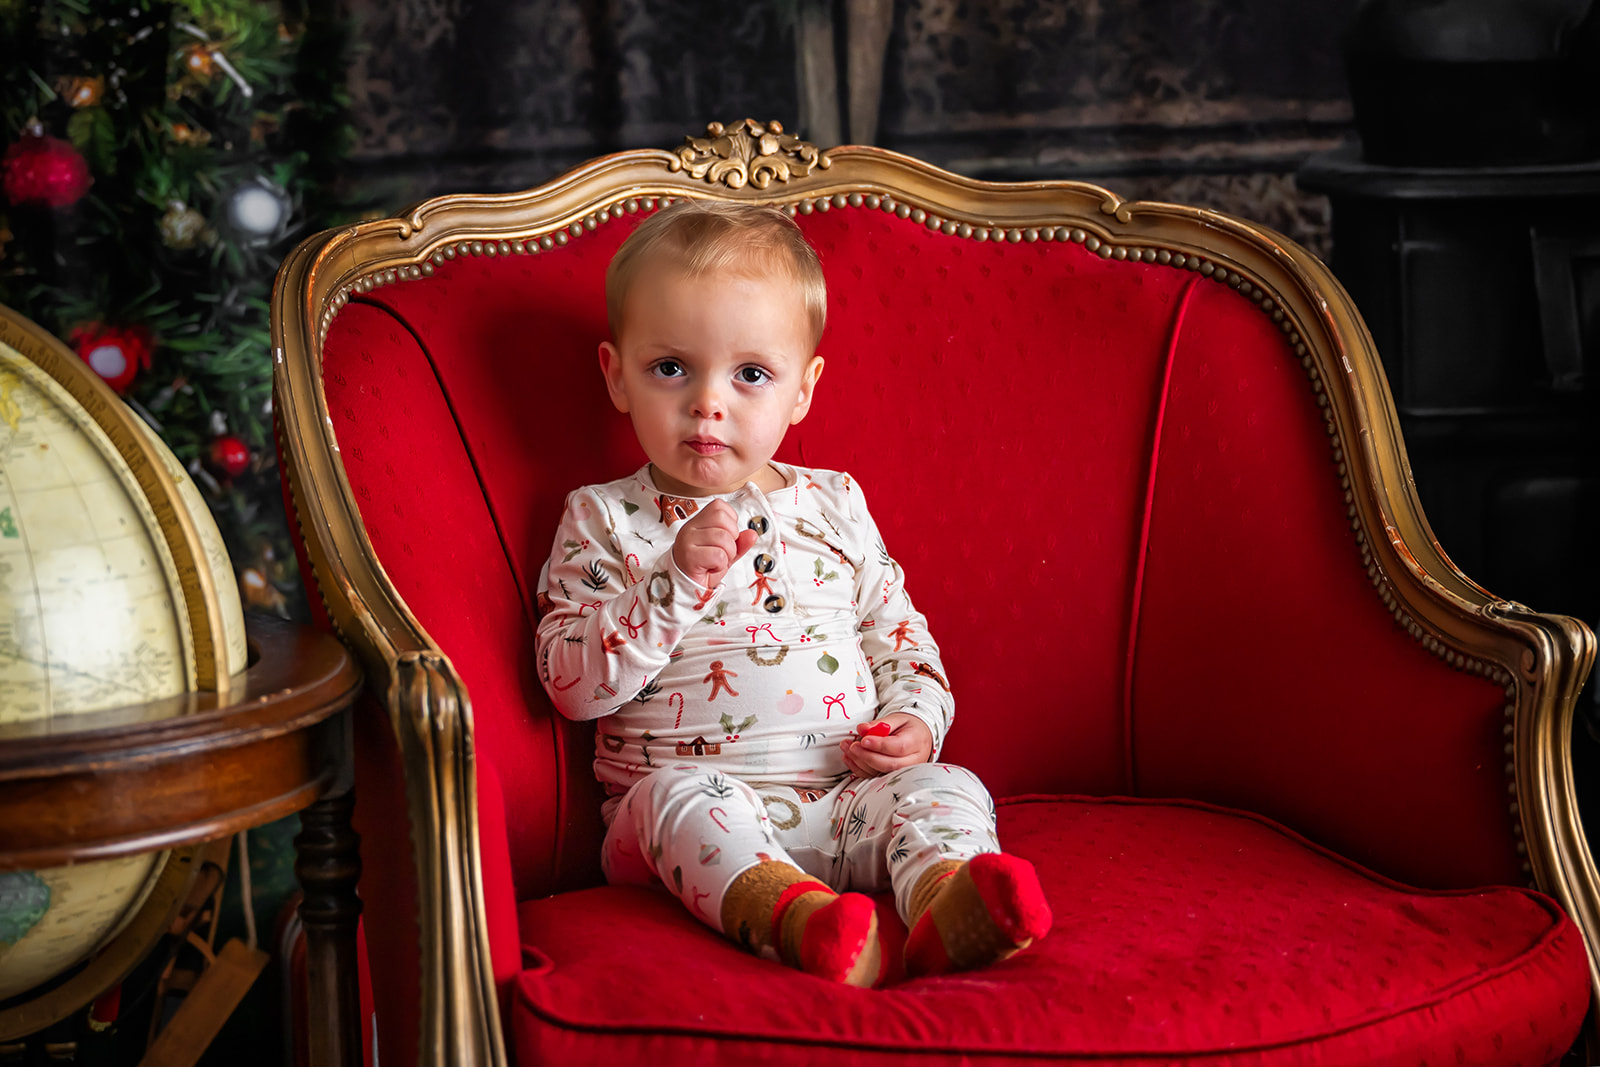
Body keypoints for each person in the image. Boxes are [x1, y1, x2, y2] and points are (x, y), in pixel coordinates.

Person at [534, 199, 1050, 987]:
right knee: (684, 798)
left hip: (848, 798)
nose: (710, 401)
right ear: (617, 375)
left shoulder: (836, 502)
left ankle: (947, 904)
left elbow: (898, 634)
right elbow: (569, 685)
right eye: (670, 367)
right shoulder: (604, 516)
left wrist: (918, 720)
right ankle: (796, 919)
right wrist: (671, 580)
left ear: (802, 391)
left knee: (948, 786)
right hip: (690, 815)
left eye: (750, 374)